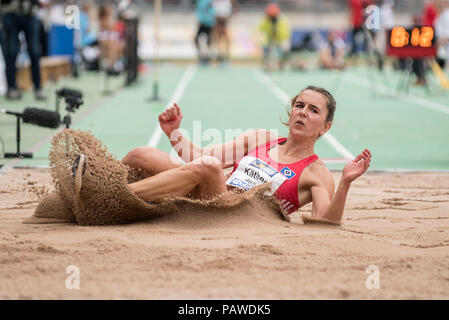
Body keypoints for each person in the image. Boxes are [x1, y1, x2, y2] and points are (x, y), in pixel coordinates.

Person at [73, 86, 372, 224]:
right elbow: (198, 157)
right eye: (299, 105)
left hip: (239, 215)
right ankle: (92, 181)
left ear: (326, 127)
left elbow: (325, 224)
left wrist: (344, 183)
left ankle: (108, 196)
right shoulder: (260, 139)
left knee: (210, 167)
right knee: (143, 155)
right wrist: (174, 133)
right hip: (213, 191)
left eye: (313, 110)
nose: (303, 112)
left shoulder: (316, 173)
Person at [0, 0, 46, 100]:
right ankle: (11, 88)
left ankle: (38, 88)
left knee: (34, 52)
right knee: (11, 52)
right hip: (10, 11)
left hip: (30, 11)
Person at [257, 2, 291, 71]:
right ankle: (269, 65)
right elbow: (259, 29)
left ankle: (281, 64)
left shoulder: (283, 20)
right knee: (269, 51)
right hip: (271, 40)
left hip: (281, 39)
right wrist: (261, 41)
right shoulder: (266, 20)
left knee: (286, 48)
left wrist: (282, 38)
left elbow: (287, 32)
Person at [194, 0, 215, 65]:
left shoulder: (209, 1)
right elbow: (199, 10)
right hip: (202, 22)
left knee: (209, 40)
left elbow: (212, 10)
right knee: (197, 39)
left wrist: (212, 19)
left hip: (209, 22)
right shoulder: (200, 1)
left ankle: (208, 57)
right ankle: (203, 56)